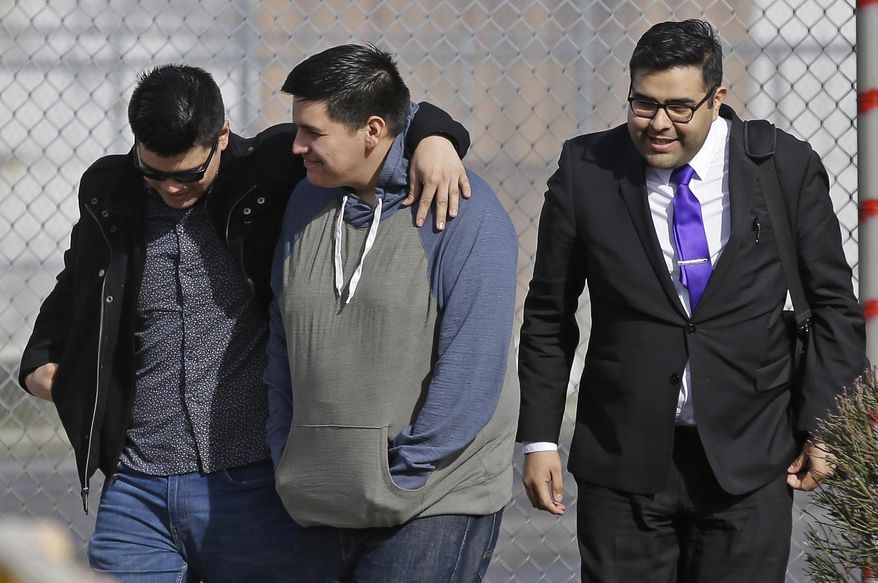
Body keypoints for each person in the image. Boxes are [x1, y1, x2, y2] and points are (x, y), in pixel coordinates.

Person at [17, 63, 472, 582]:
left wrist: (436, 136)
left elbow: (367, 117)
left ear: (223, 137)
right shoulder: (109, 190)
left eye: (189, 174)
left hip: (255, 484)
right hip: (136, 487)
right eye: (154, 173)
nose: (170, 188)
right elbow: (78, 282)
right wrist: (40, 360)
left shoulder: (272, 167)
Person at [517, 19, 866, 583]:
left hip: (748, 457)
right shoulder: (587, 170)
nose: (658, 124)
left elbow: (832, 305)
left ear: (717, 98)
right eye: (643, 104)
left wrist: (826, 425)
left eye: (679, 107)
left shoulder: (781, 165)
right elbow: (549, 315)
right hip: (624, 459)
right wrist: (538, 438)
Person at [264, 44, 519, 582]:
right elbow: (281, 337)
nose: (297, 146)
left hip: (432, 498)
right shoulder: (306, 201)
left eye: (314, 133)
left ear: (372, 131)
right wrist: (288, 448)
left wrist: (407, 468)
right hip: (321, 493)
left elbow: (474, 360)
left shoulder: (462, 211)